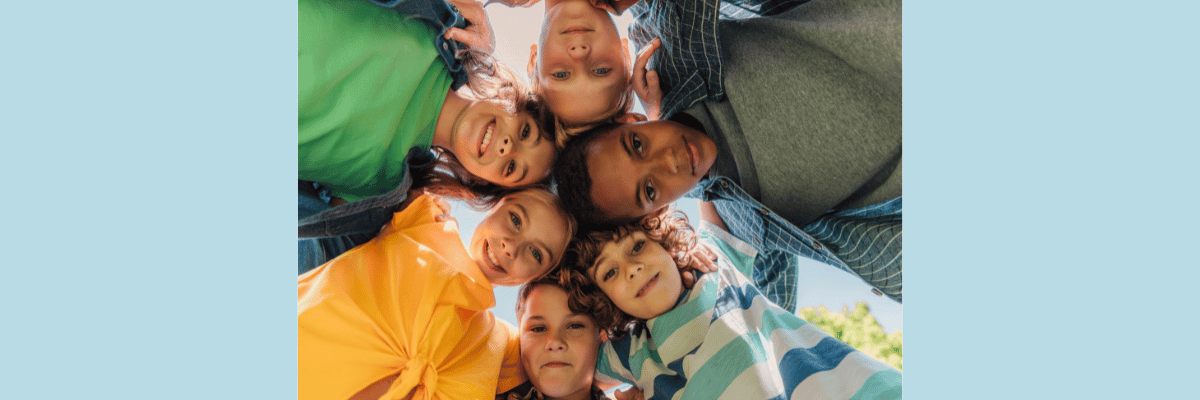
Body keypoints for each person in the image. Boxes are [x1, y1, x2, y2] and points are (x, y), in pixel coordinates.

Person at [553, 0, 903, 304]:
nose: (669, 161)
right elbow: (770, 312)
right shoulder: (743, 220)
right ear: (657, 209)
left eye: (638, 145)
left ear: (631, 120)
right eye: (649, 189)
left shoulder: (677, 60)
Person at [298, 0, 561, 270]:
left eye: (511, 167)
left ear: (482, 182)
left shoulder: (382, 189)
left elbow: (317, 263)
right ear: (509, 97)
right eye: (525, 131)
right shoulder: (437, 28)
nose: (508, 147)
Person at [561, 210, 902, 399]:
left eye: (637, 247)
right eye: (610, 273)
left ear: (665, 244)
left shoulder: (712, 262)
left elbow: (717, 189)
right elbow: (566, 376)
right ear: (605, 300)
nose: (632, 269)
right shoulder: (630, 352)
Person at [298, 187, 576, 399]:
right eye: (515, 219)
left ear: (536, 277)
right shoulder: (429, 223)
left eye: (536, 253)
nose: (511, 247)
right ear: (495, 205)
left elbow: (583, 357)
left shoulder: (501, 342)